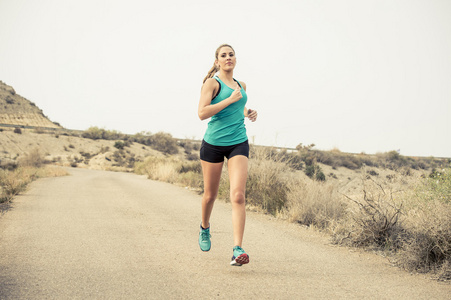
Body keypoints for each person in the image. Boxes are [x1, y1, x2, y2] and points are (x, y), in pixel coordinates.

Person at [197, 44, 258, 266]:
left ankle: (237, 249)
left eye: (231, 54)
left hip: (238, 143)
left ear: (235, 59)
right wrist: (230, 100)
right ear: (217, 62)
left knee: (238, 195)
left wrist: (247, 111)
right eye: (223, 55)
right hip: (213, 143)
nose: (228, 57)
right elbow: (202, 113)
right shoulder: (212, 83)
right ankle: (205, 227)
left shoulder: (241, 85)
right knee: (210, 196)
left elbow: (236, 108)